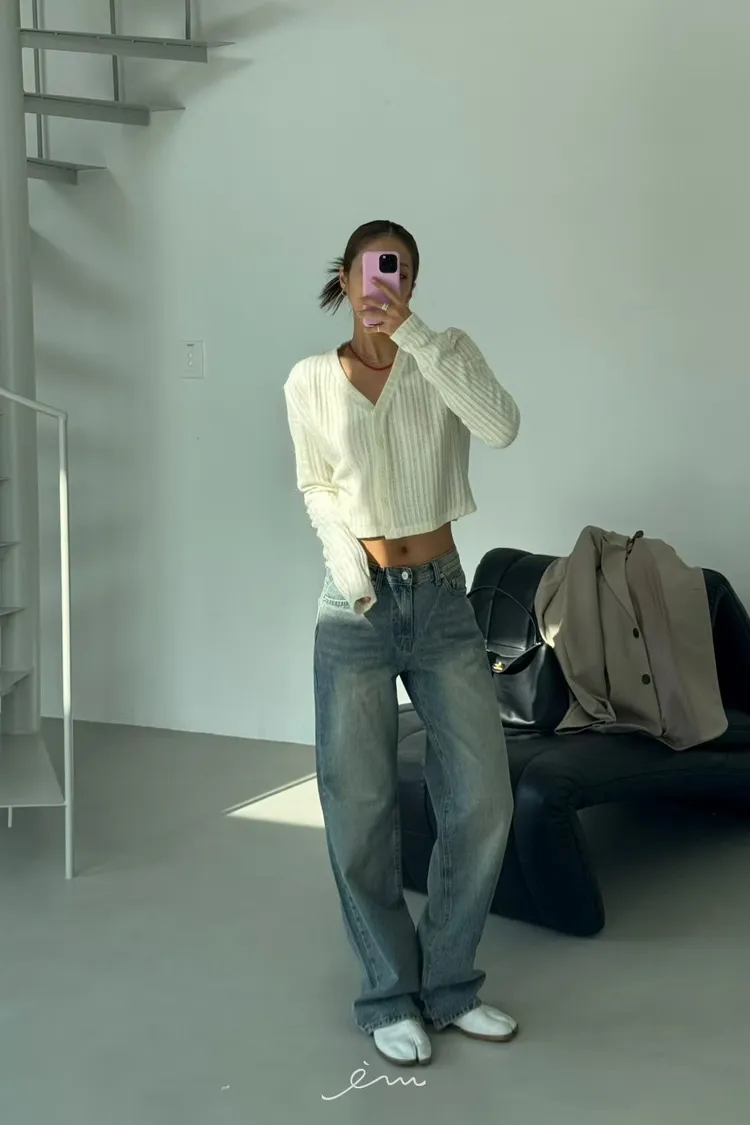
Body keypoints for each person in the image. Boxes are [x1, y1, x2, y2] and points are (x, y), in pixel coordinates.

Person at [284, 220, 521, 1067]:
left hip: (444, 599)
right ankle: (389, 991)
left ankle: (450, 983)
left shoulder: (443, 354)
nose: (383, 285)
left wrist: (415, 335)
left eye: (400, 272)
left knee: (483, 799)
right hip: (354, 606)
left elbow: (501, 426)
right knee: (360, 805)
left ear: (411, 285)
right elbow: (317, 486)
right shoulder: (310, 379)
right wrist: (351, 570)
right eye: (370, 270)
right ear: (346, 277)